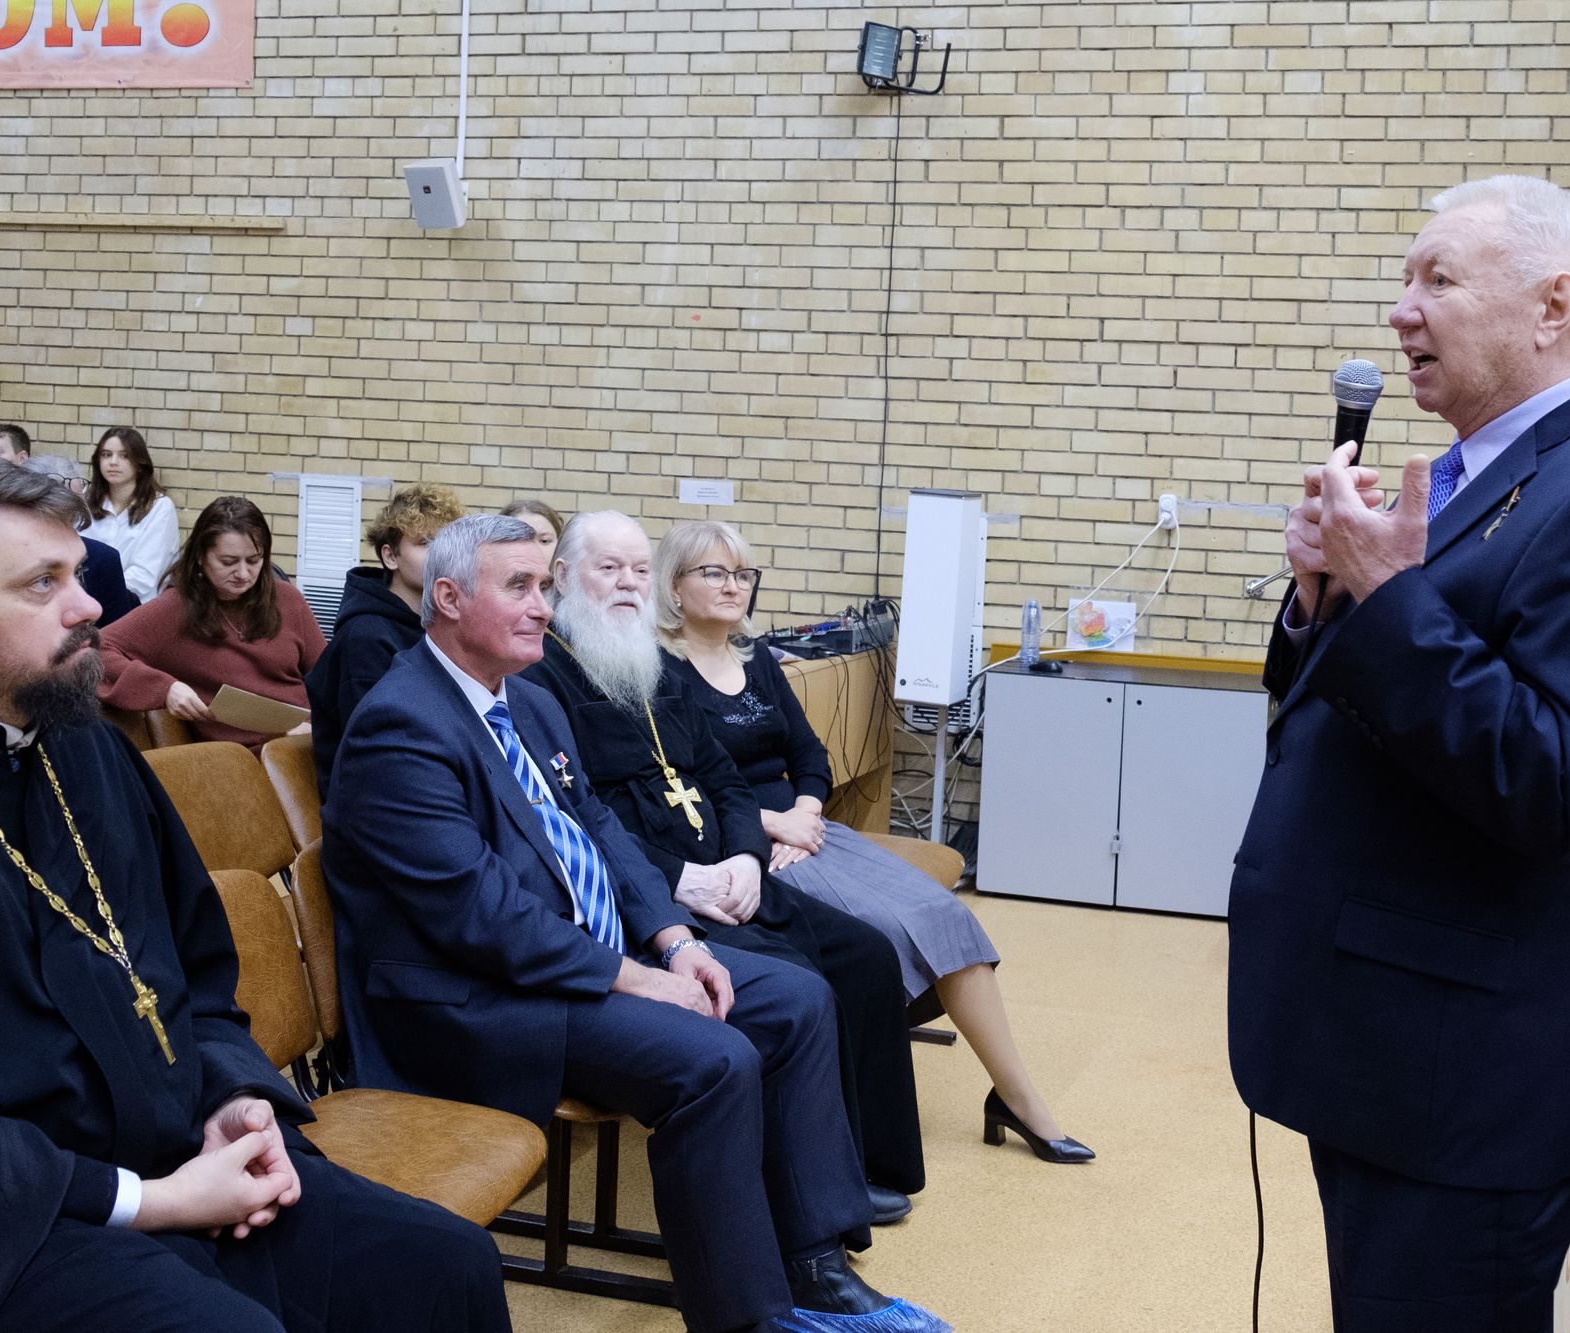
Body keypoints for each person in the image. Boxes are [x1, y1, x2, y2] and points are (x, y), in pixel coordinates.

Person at [0, 452, 509, 1333]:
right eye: (43, 583)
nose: (89, 605)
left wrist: (234, 1098)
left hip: (180, 1150)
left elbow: (194, 974)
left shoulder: (85, 746)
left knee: (443, 1266)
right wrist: (153, 1200)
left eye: (78, 572)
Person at [1228, 175, 1570, 1332]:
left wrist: (1386, 597)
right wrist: (1319, 600)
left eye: (1435, 278)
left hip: (1468, 1086)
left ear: (1551, 304)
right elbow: (1362, 691)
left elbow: (1558, 784)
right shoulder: (1490, 469)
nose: (1400, 309)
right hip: (1392, 1051)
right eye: (1403, 279)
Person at [322, 514, 949, 1333]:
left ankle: (813, 1265)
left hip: (578, 955)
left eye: (543, 585)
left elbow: (602, 833)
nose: (542, 605)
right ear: (447, 597)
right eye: (519, 586)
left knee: (796, 1001)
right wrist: (638, 979)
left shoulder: (527, 702)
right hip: (475, 997)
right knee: (715, 1057)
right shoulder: (401, 723)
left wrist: (674, 939)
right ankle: (747, 1317)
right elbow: (484, 917)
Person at [525, 511, 926, 1222]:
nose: (627, 583)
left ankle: (866, 1158)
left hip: (728, 869)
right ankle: (814, 1178)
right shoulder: (541, 676)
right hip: (657, 893)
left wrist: (745, 854)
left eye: (638, 569)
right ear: (562, 576)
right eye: (608, 568)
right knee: (797, 981)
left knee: (865, 955)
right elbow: (578, 821)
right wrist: (680, 880)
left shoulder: (646, 660)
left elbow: (722, 776)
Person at [658, 518, 1092, 1165]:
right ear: (674, 585)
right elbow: (679, 787)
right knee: (881, 936)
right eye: (714, 573)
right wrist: (771, 825)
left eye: (743, 573)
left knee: (945, 915)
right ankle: (855, 1107)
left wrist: (806, 809)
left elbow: (809, 753)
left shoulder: (757, 660)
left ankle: (1016, 1096)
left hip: (806, 830)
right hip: (744, 846)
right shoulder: (660, 675)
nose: (733, 586)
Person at [99, 496, 326, 751]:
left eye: (254, 560)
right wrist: (165, 689)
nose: (243, 573)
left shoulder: (288, 598)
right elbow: (94, 651)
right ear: (200, 557)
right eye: (228, 562)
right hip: (243, 758)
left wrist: (320, 727)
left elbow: (329, 678)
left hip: (308, 743)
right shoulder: (175, 608)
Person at [305, 482, 465, 797]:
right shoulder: (365, 636)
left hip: (430, 779)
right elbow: (379, 749)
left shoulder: (441, 626)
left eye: (446, 543)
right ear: (390, 556)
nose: (440, 555)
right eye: (425, 543)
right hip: (377, 798)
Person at [0, 431, 139, 627]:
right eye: (49, 510)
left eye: (70, 511)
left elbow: (117, 636)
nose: (61, 520)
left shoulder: (103, 559)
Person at [83, 426, 180, 603]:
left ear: (139, 463)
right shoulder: (86, 501)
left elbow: (145, 576)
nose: (113, 462)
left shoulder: (160, 508)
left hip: (136, 605)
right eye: (106, 455)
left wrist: (101, 594)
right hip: (85, 600)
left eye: (124, 456)